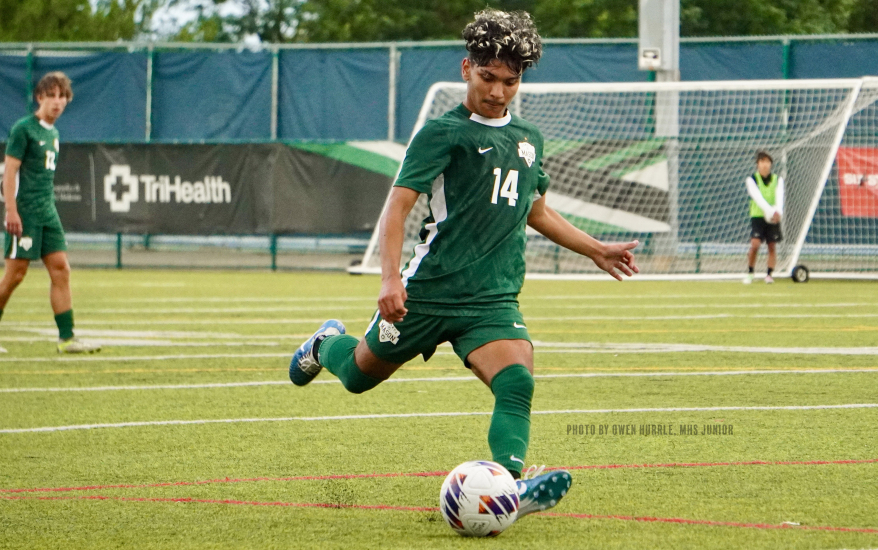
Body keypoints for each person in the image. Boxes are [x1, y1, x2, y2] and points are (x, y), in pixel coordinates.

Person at [288, 9, 638, 521]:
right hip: (427, 292)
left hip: (491, 297)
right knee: (360, 377)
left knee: (516, 381)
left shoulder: (529, 140)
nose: (498, 91)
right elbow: (397, 207)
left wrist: (596, 249)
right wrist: (389, 279)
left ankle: (511, 490)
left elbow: (535, 209)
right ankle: (325, 344)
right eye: (488, 77)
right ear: (466, 69)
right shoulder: (442, 134)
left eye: (510, 81)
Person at [0, 72, 101, 353]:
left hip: (48, 211)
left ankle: (66, 338)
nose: (57, 102)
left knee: (61, 270)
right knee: (15, 275)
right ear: (39, 97)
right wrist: (11, 209)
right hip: (26, 212)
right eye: (52, 95)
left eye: (62, 96)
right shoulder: (24, 128)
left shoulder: (53, 132)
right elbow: (10, 171)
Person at [743, 151, 784, 284]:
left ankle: (769, 275)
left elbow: (780, 197)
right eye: (762, 162)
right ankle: (750, 272)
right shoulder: (752, 180)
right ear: (757, 164)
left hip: (774, 217)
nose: (765, 165)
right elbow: (757, 197)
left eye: (767, 162)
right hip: (758, 216)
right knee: (755, 244)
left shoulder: (778, 179)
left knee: (772, 245)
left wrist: (778, 212)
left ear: (771, 164)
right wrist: (770, 211)